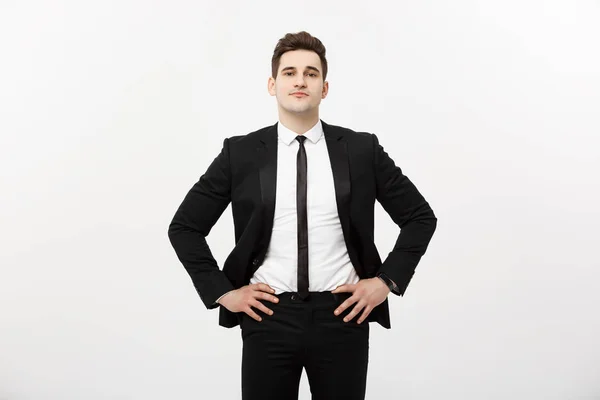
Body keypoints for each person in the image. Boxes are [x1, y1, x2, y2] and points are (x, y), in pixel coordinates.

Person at [168, 30, 437, 400]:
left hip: (344, 314)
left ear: (324, 88)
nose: (300, 80)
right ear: (272, 84)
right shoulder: (241, 153)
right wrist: (223, 293)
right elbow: (184, 227)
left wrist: (385, 281)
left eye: (311, 73)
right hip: (268, 317)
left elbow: (420, 217)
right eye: (290, 72)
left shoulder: (361, 150)